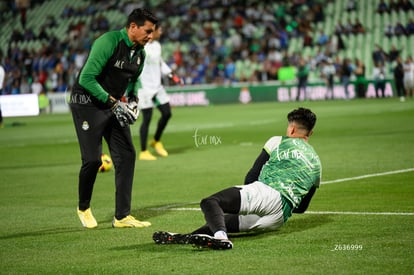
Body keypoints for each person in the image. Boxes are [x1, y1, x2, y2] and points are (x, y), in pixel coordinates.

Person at [152, 107, 321, 250]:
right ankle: (186, 237)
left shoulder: (278, 141)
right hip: (279, 218)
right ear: (310, 132)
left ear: (291, 129)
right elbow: (301, 208)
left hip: (267, 195)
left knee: (211, 202)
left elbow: (252, 176)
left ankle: (221, 238)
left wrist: (245, 200)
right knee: (223, 222)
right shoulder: (317, 163)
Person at [69, 8, 158, 229]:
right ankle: (83, 208)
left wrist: (134, 99)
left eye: (153, 32)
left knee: (127, 155)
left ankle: (122, 217)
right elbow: (87, 78)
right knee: (92, 160)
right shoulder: (108, 42)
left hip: (113, 105)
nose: (151, 36)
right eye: (147, 31)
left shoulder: (140, 53)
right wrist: (115, 103)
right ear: (133, 27)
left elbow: (133, 80)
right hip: (87, 103)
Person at [137, 24, 182, 161]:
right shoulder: (139, 46)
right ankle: (143, 151)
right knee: (147, 118)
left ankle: (156, 140)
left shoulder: (157, 46)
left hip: (157, 87)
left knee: (167, 113)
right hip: (144, 87)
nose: (161, 32)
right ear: (152, 31)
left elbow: (161, 63)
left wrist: (172, 76)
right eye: (160, 30)